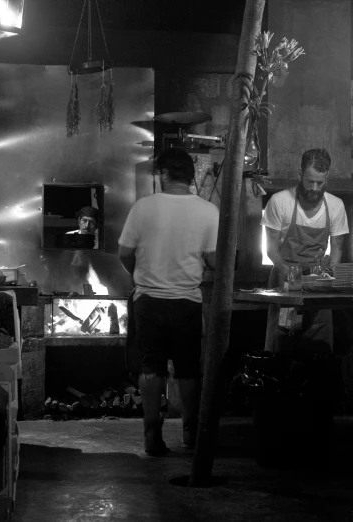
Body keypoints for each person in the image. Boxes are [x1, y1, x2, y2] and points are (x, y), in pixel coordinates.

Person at [118, 148, 218, 456]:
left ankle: (152, 435)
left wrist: (142, 275)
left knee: (151, 366)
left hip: (148, 300)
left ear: (163, 174)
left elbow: (124, 253)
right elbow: (215, 260)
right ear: (191, 177)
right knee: (188, 368)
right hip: (188, 301)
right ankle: (190, 432)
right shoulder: (209, 211)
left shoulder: (143, 207)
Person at [261, 148, 348, 355]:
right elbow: (271, 249)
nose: (315, 188)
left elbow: (336, 249)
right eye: (310, 181)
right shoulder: (280, 202)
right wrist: (290, 276)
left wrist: (328, 277)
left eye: (320, 182)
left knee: (319, 348)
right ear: (299, 174)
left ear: (327, 177)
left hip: (318, 282)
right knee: (282, 345)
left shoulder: (336, 206)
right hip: (285, 278)